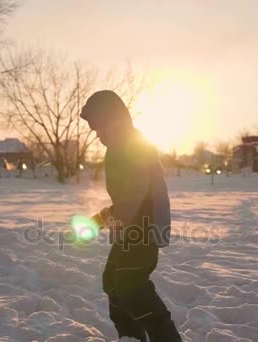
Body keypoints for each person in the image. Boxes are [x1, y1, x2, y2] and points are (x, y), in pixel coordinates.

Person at [80, 90, 182, 341]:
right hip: (131, 227)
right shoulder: (119, 146)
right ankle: (130, 337)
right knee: (114, 284)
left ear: (109, 118)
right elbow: (126, 197)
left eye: (97, 125)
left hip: (143, 227)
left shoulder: (131, 145)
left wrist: (103, 220)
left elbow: (134, 195)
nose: (96, 132)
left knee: (131, 286)